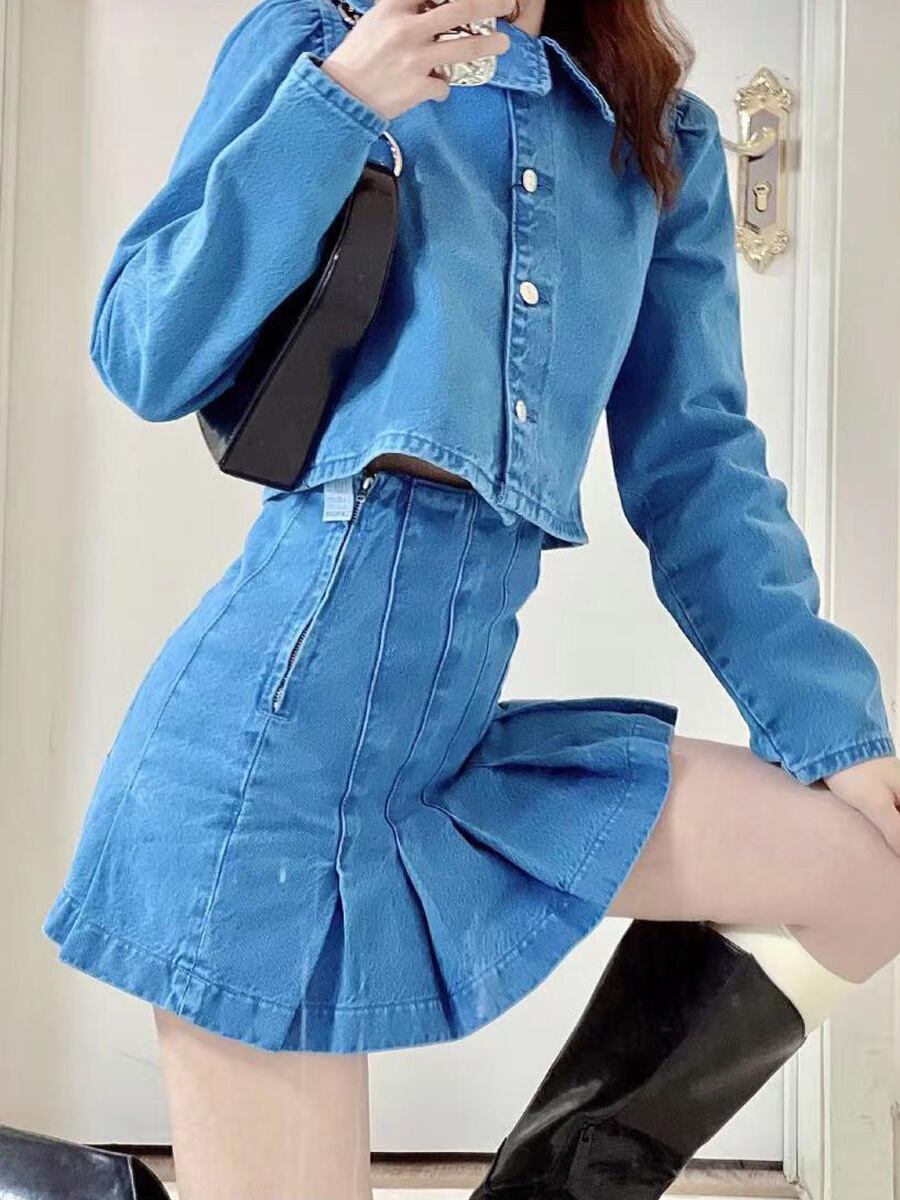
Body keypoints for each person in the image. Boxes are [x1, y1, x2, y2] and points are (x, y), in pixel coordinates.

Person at [42, 0, 900, 1197]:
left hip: (443, 754)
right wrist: (342, 101)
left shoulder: (654, 136)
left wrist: (837, 729)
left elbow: (700, 471)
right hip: (265, 778)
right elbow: (146, 349)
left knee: (864, 872)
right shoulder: (314, 46)